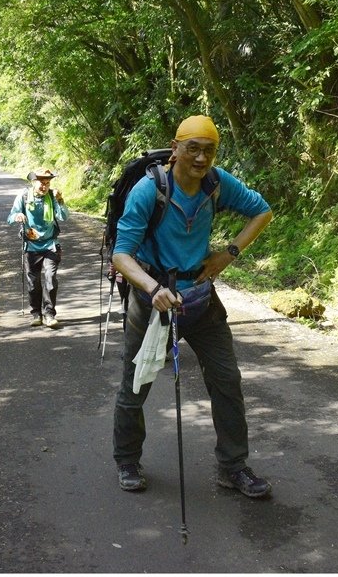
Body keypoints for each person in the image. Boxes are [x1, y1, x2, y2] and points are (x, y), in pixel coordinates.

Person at [110, 114, 274, 498]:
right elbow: (121, 255)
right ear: (176, 148)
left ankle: (233, 467)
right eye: (193, 149)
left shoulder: (217, 183)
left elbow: (262, 211)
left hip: (199, 300)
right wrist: (152, 289)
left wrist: (228, 254)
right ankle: (127, 460)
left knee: (227, 381)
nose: (201, 159)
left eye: (209, 150)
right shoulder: (148, 191)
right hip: (153, 302)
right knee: (136, 384)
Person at [7, 168, 69, 328]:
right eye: (42, 183)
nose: (45, 186)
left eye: (47, 183)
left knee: (50, 279)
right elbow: (10, 217)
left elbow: (63, 217)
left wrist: (61, 200)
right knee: (33, 283)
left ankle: (49, 314)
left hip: (50, 244)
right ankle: (36, 314)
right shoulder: (24, 196)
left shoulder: (52, 196)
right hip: (31, 245)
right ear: (34, 182)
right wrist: (17, 216)